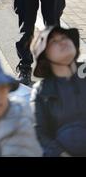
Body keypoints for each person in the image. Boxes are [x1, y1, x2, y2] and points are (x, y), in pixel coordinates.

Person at [30, 25, 86, 157]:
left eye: (64, 37)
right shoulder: (40, 91)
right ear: (44, 56)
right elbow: (39, 134)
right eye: (54, 41)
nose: (62, 42)